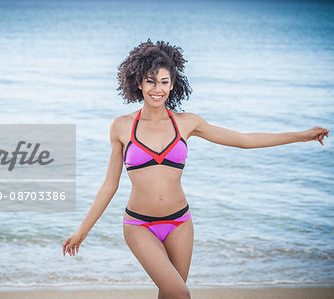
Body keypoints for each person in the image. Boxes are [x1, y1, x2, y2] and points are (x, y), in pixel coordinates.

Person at [62, 39, 329, 299]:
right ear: (139, 83)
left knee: (170, 295)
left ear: (173, 84)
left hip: (180, 223)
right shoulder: (121, 126)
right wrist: (82, 231)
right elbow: (110, 184)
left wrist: (301, 136)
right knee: (180, 293)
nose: (158, 89)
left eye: (164, 82)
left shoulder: (187, 123)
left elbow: (244, 140)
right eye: (151, 81)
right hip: (139, 225)